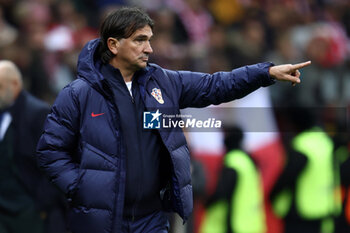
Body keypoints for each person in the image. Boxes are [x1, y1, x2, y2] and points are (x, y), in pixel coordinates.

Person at [36, 7, 311, 233]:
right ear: (114, 45)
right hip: (100, 221)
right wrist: (81, 187)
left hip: (152, 219)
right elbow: (50, 150)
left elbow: (216, 85)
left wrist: (266, 73)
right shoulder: (78, 94)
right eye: (140, 40)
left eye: (150, 39)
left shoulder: (164, 82)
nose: (150, 49)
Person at [0, 60, 67, 233]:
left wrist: (42, 206)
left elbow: (55, 162)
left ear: (15, 84)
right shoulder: (3, 112)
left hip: (30, 209)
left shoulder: (38, 113)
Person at [270, 107, 341, 233]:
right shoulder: (324, 141)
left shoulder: (302, 146)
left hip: (301, 214)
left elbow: (287, 177)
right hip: (325, 209)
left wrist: (272, 195)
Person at [200, 126, 266, 233]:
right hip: (252, 223)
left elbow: (222, 192)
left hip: (236, 224)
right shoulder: (248, 160)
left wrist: (207, 202)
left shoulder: (233, 161)